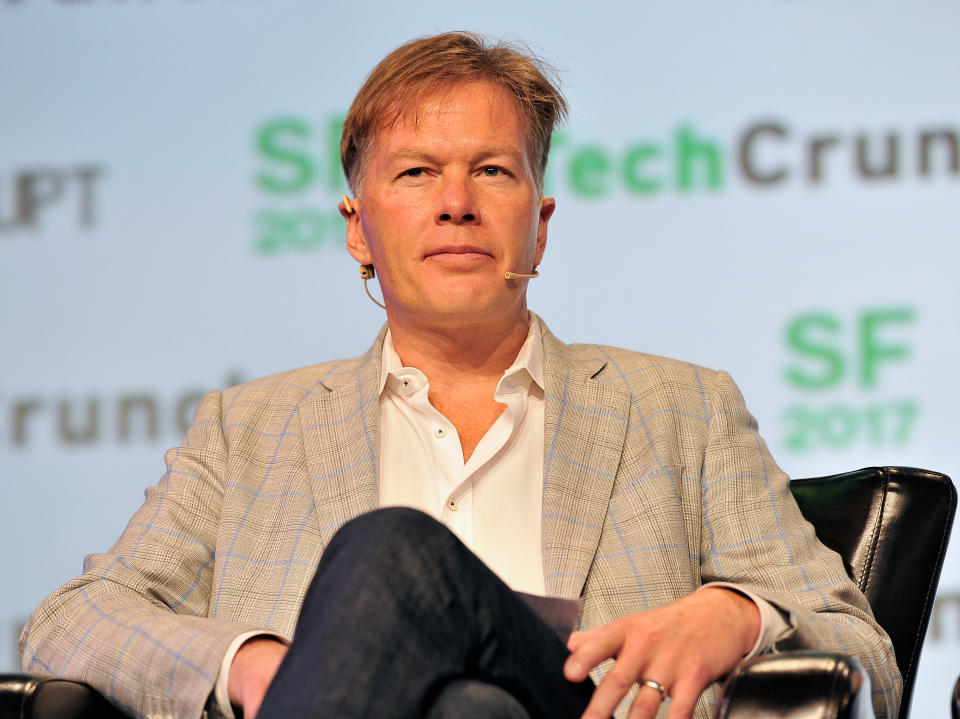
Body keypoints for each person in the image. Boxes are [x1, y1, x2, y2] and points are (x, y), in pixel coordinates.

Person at [21, 32, 900, 719]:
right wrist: (248, 662)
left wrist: (739, 613)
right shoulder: (248, 428)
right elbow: (69, 620)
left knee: (388, 551)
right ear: (359, 229)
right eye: (415, 173)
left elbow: (866, 651)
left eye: (491, 170)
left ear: (540, 225)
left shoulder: (685, 409)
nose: (456, 201)